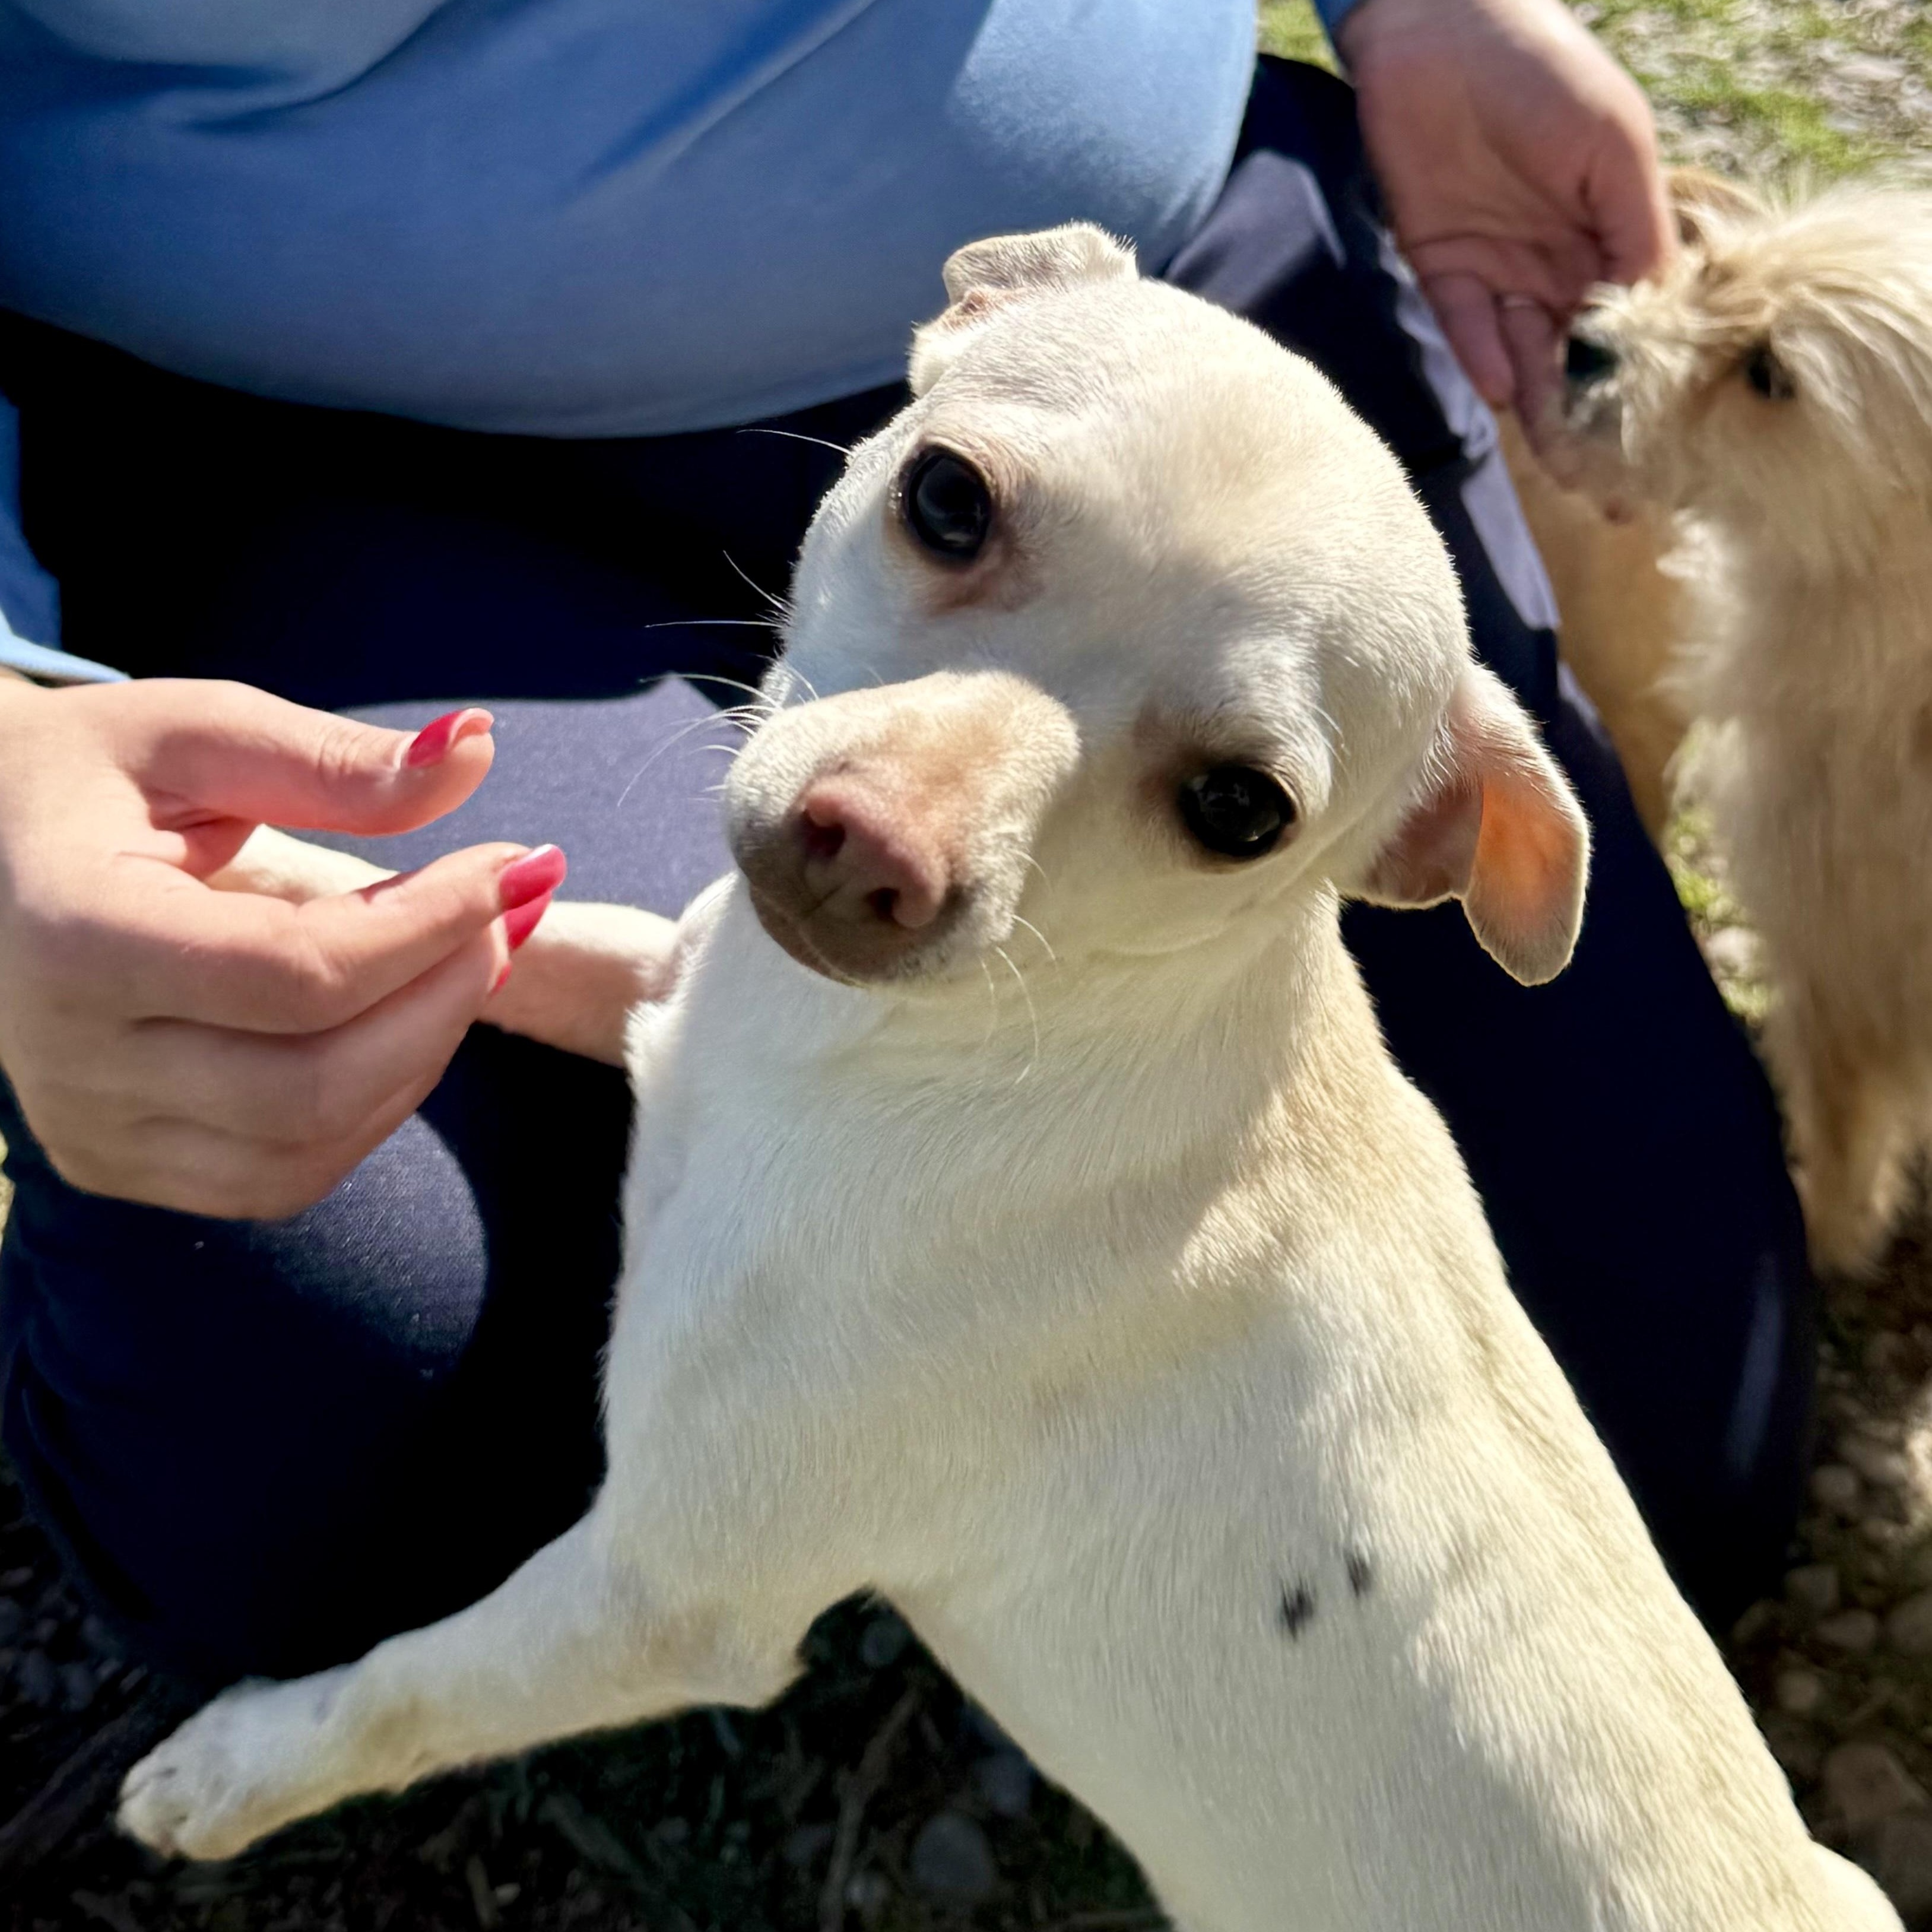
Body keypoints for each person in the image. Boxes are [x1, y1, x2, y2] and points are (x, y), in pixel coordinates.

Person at [0, 0, 1809, 1690]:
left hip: (1170, 324)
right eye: (949, 515)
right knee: (325, 1387)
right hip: (293, 424)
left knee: (1646, 1470)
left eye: (1235, 804)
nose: (908, 841)